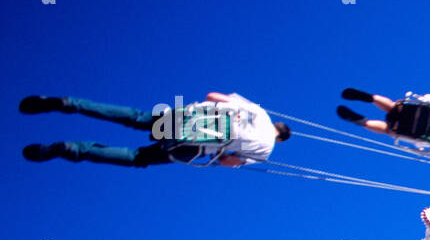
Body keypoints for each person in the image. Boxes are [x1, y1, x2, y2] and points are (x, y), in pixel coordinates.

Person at [20, 91, 290, 167]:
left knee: (136, 118)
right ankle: (70, 149)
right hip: (196, 145)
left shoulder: (260, 112)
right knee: (138, 157)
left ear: (277, 125)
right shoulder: (265, 152)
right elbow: (230, 161)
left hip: (192, 120)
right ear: (280, 140)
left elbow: (213, 96)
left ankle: (70, 104)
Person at [336, 88, 430, 151]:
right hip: (415, 131)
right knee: (388, 129)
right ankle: (363, 122)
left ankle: (370, 97)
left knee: (393, 106)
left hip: (422, 113)